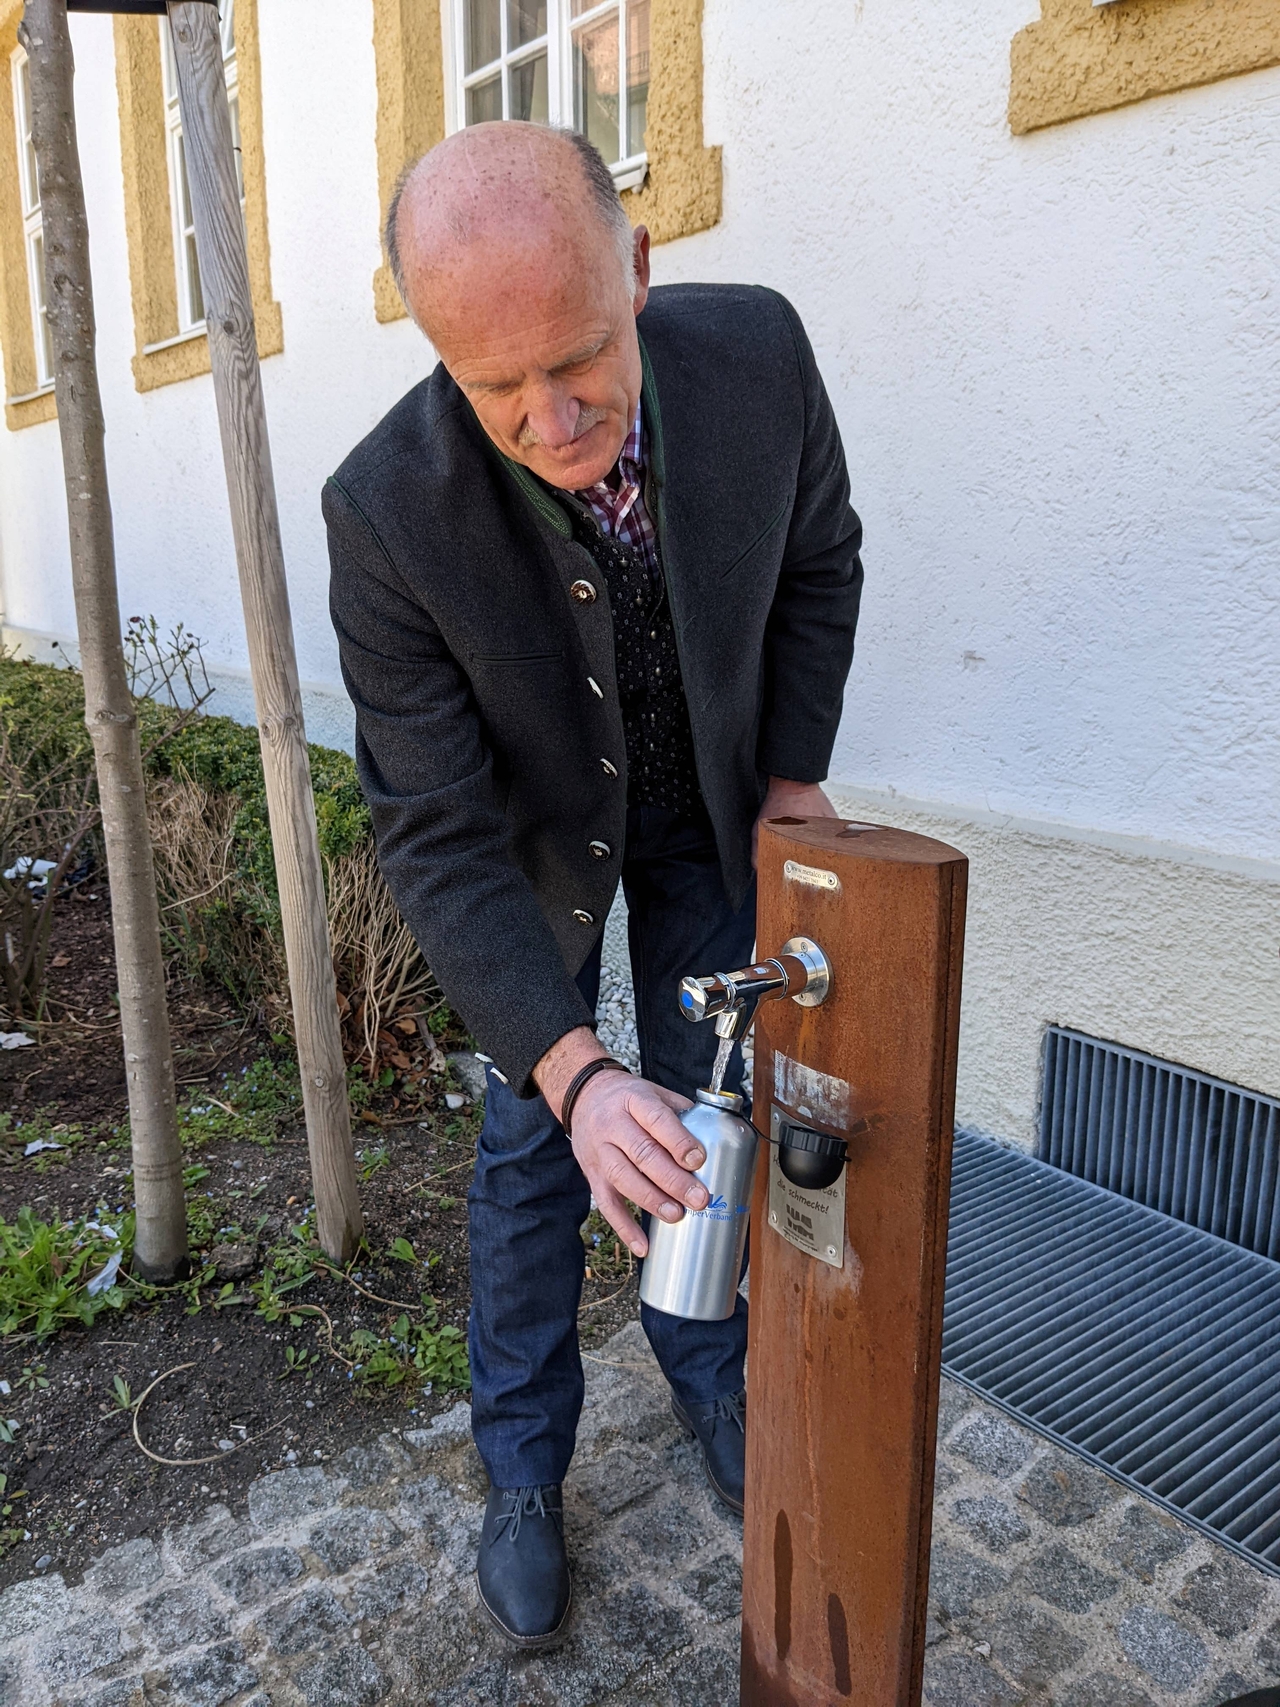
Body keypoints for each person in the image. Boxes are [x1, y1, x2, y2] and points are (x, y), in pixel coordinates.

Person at [325, 121, 862, 1649]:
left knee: (710, 1097)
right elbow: (433, 831)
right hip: (534, 847)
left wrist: (793, 778)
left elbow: (821, 561)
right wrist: (570, 1072)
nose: (549, 419)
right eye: (494, 386)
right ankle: (520, 1469)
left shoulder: (759, 357)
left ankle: (711, 1375)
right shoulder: (383, 512)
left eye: (576, 361)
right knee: (534, 1147)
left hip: (710, 804)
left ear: (638, 268)